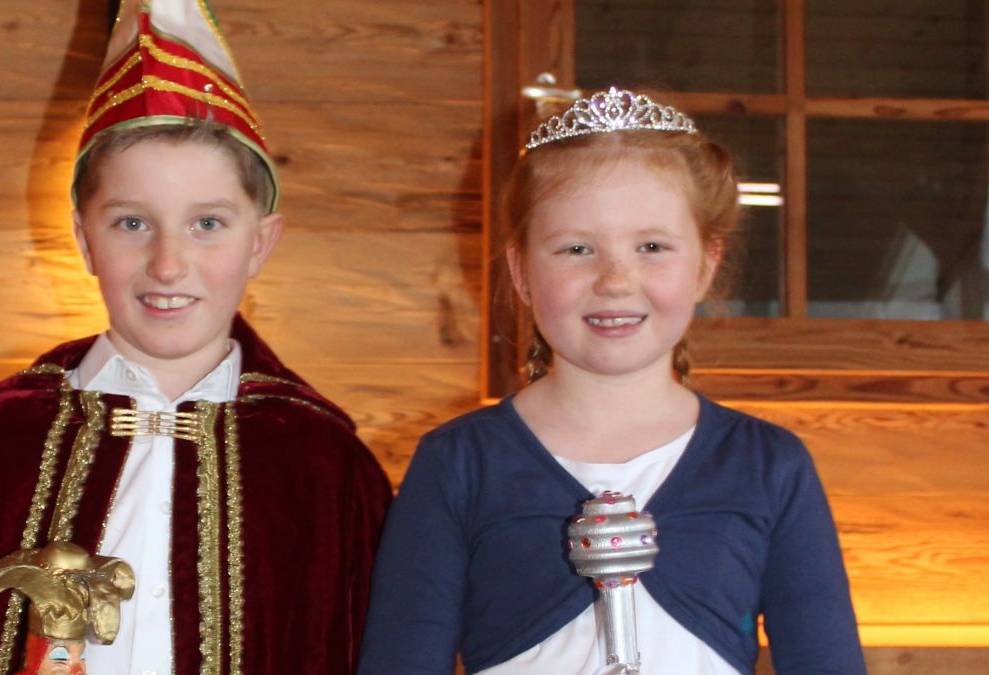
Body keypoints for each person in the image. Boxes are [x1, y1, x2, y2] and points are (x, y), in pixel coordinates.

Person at [0, 2, 391, 673]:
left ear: (261, 242)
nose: (168, 263)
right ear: (85, 239)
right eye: (130, 223)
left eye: (208, 223)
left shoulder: (325, 463)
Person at [357, 88, 864, 675]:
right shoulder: (458, 462)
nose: (616, 279)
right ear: (521, 271)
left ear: (705, 265)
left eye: (652, 247)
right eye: (577, 248)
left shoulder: (769, 466)